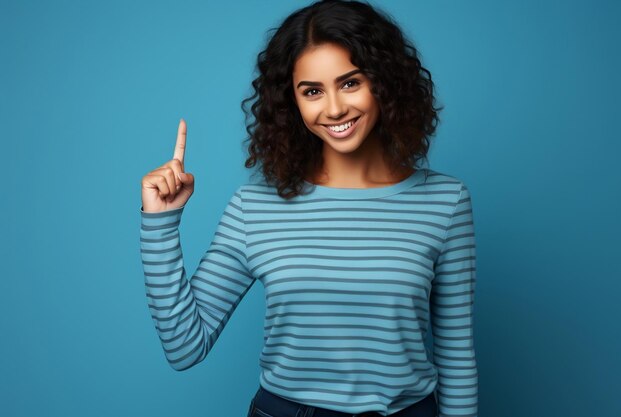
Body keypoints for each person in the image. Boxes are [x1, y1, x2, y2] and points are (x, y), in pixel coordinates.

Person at [139, 1, 478, 416]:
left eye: (350, 83)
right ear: (291, 103)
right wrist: (160, 222)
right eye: (312, 91)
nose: (334, 108)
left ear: (385, 82)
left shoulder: (446, 202)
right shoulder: (255, 207)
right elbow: (184, 346)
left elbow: (457, 357)